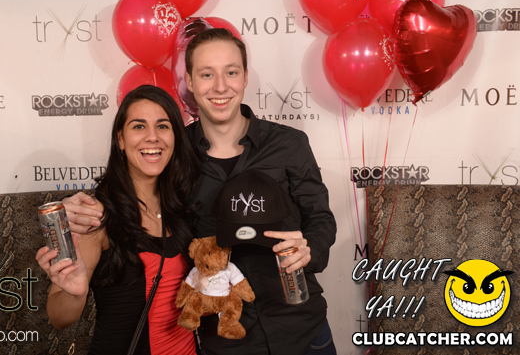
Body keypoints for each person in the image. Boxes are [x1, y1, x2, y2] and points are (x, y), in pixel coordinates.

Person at [66, 29, 338, 355]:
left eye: (231, 72)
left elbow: (321, 219)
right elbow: (130, 187)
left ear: (245, 77)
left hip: (302, 331)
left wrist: (310, 249)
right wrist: (77, 206)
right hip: (224, 341)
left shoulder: (289, 144)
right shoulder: (173, 154)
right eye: (207, 74)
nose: (220, 86)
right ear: (190, 82)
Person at [36, 85, 200, 355]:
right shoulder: (95, 216)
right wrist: (76, 294)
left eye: (163, 126)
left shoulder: (185, 205)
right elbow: (58, 317)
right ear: (120, 139)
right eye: (139, 126)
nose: (152, 137)